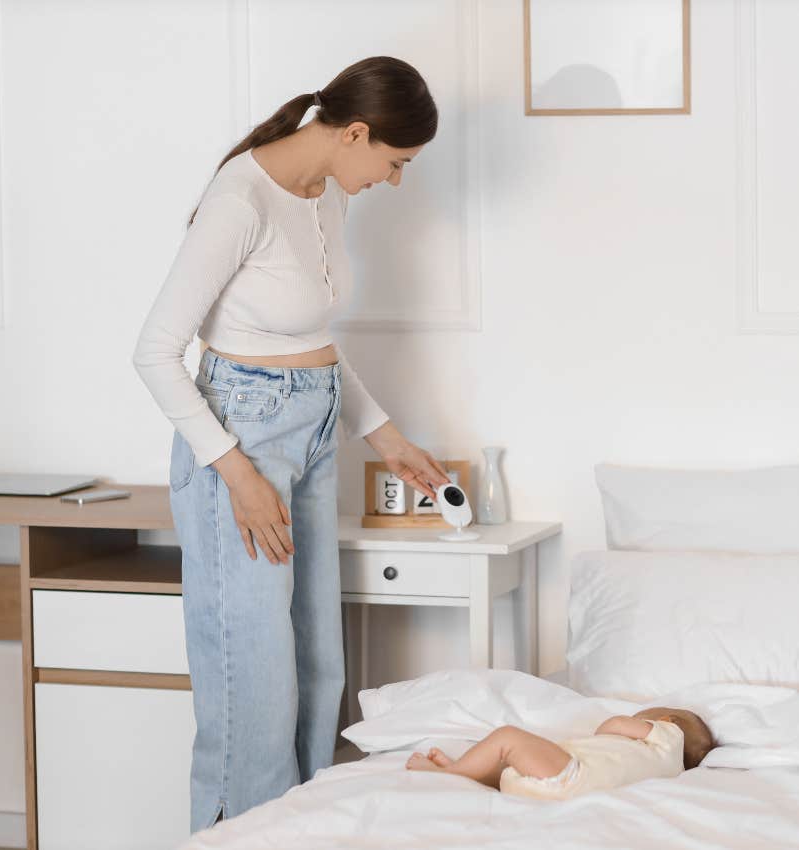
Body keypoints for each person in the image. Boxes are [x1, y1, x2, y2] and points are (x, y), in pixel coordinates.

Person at [132, 56, 450, 833]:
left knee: (315, 674)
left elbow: (313, 340)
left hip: (311, 433)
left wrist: (385, 434)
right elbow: (154, 351)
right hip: (241, 444)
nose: (397, 180)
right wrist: (237, 474)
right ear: (355, 133)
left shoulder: (326, 191)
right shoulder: (239, 198)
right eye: (397, 162)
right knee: (255, 684)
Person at [405, 706, 715, 800]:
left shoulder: (668, 735)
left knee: (508, 738)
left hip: (572, 774)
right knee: (510, 768)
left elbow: (615, 724)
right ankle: (470, 771)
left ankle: (451, 772)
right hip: (558, 789)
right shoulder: (668, 771)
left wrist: (615, 727)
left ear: (665, 721)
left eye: (641, 716)